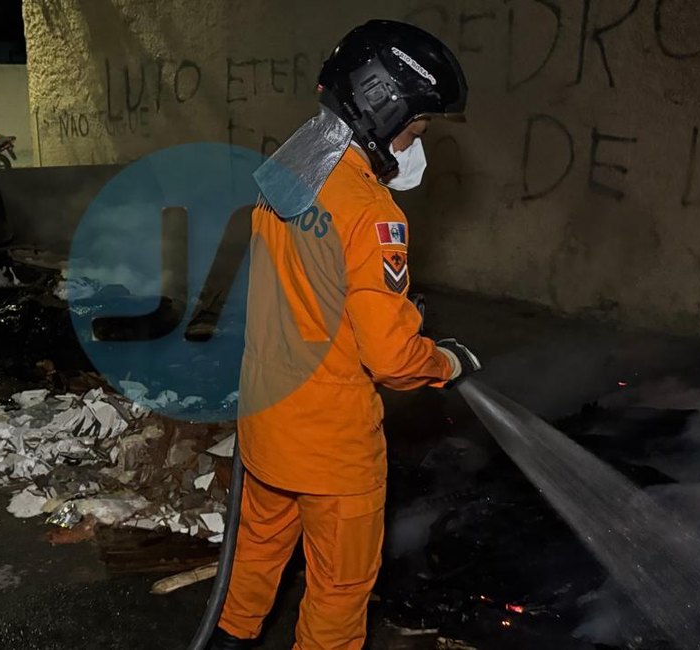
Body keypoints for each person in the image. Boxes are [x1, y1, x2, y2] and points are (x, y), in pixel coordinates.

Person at [211, 19, 482, 650]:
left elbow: (306, 288)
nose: (418, 139)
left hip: (266, 421)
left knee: (254, 560)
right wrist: (444, 362)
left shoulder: (285, 176)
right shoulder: (372, 212)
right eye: (418, 124)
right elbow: (390, 358)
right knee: (337, 590)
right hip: (332, 445)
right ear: (383, 105)